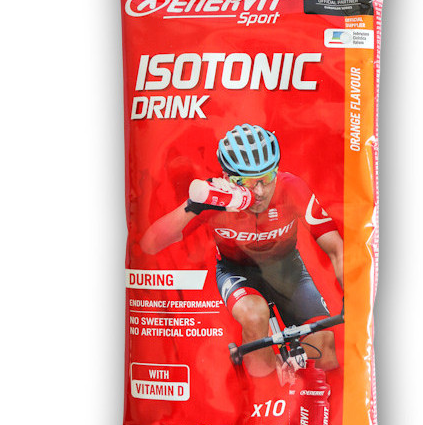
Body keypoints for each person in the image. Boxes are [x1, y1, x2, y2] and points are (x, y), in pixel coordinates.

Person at [140, 123, 343, 377]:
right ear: (227, 178)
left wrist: (353, 296)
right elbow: (150, 243)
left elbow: (336, 247)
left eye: (266, 178)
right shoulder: (215, 198)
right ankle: (265, 387)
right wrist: (193, 207)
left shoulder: (291, 188)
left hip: (287, 269)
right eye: (245, 181)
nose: (259, 192)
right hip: (236, 271)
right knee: (254, 315)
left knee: (325, 349)